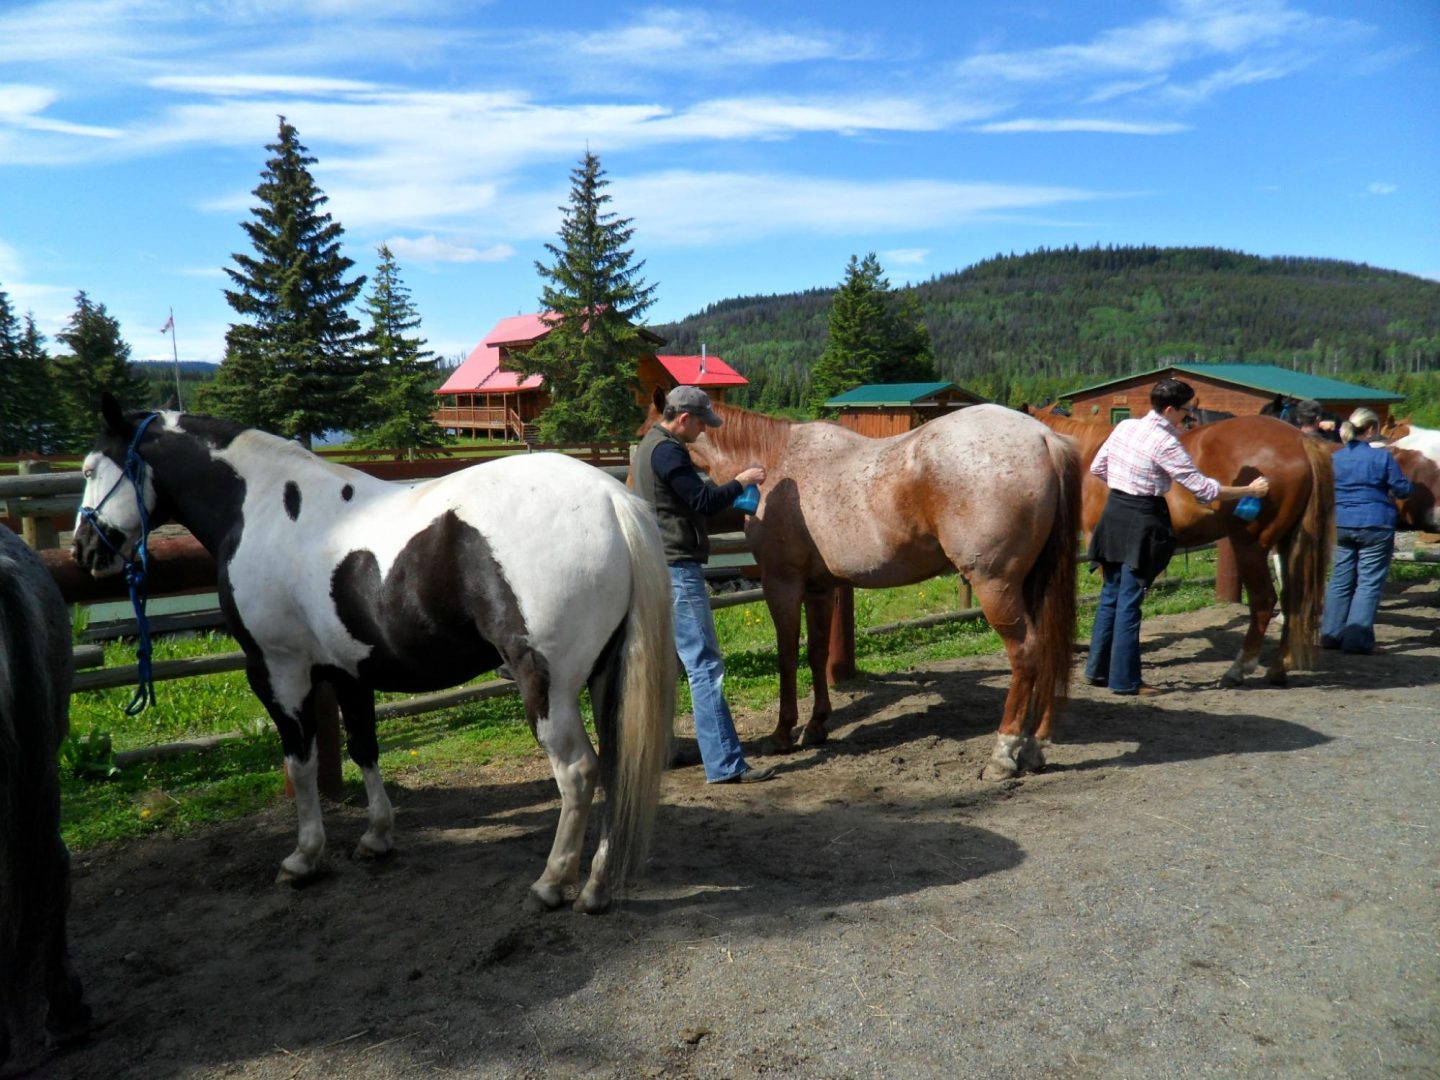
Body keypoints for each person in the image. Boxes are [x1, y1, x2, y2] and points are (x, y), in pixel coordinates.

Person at [1084, 379, 1271, 696]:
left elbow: (1099, 467)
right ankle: (1125, 681)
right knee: (1130, 601)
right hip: (1142, 517)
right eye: (1186, 412)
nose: (1188, 418)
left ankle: (1097, 669)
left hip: (1115, 512)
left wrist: (1123, 484)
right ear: (1170, 409)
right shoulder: (1165, 443)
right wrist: (1248, 490)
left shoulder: (1125, 427)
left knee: (1111, 594)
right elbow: (1203, 489)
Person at [632, 385, 777, 783]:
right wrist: (740, 481)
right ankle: (725, 764)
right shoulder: (668, 451)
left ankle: (658, 749)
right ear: (683, 419)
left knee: (671, 663)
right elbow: (704, 502)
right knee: (705, 666)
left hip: (658, 565)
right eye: (701, 424)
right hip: (677, 569)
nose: (703, 432)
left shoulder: (649, 447)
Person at [1320, 408, 1413, 655]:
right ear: (1371, 429)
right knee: (1368, 583)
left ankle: (1330, 634)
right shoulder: (1382, 458)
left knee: (1340, 578)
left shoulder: (1335, 458)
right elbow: (1402, 489)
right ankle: (1357, 640)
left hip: (1341, 524)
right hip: (1375, 523)